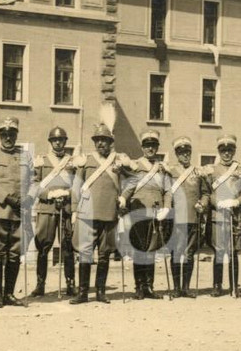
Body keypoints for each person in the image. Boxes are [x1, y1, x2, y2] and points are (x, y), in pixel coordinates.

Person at [70, 124, 133, 304]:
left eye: (104, 140)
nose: (100, 144)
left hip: (109, 213)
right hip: (87, 214)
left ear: (110, 143)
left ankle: (100, 292)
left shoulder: (118, 161)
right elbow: (76, 185)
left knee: (104, 254)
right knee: (85, 253)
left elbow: (132, 181)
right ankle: (82, 293)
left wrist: (124, 197)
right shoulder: (86, 160)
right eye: (97, 141)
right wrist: (74, 210)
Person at [0, 117, 33, 309]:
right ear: (0, 135)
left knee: (14, 253)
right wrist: (9, 199)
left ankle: (9, 294)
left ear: (16, 135)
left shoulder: (25, 157)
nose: (8, 137)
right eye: (4, 134)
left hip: (19, 213)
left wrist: (29, 197)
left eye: (12, 134)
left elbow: (33, 181)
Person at [120, 130, 172, 300]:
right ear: (142, 147)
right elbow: (128, 187)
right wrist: (123, 199)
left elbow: (167, 191)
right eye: (147, 146)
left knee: (151, 250)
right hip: (137, 212)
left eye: (153, 146)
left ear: (157, 148)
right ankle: (139, 287)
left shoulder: (162, 168)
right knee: (139, 250)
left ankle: (149, 286)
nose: (150, 149)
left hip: (156, 214)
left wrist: (166, 207)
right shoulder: (134, 166)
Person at [201, 134, 241, 298]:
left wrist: (236, 202)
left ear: (234, 151)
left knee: (233, 252)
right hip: (217, 217)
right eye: (223, 150)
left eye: (230, 150)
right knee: (219, 251)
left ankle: (234, 286)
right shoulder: (211, 170)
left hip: (235, 217)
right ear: (219, 151)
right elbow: (207, 192)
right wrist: (218, 203)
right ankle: (217, 286)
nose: (227, 154)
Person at [29, 126, 76, 298]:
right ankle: (40, 284)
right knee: (43, 246)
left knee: (68, 247)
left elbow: (78, 184)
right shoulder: (42, 161)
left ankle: (70, 283)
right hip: (47, 208)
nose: (58, 142)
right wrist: (48, 194)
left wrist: (67, 194)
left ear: (65, 142)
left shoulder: (72, 162)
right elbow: (34, 184)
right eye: (55, 140)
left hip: (66, 208)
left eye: (61, 140)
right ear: (50, 142)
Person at [165, 136, 210, 298]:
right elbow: (167, 192)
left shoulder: (198, 172)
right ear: (176, 154)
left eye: (187, 152)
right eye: (182, 153)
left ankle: (186, 287)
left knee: (189, 253)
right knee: (176, 253)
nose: (185, 155)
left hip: (193, 218)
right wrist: (167, 208)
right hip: (176, 219)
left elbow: (205, 193)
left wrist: (202, 204)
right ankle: (177, 288)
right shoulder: (170, 172)